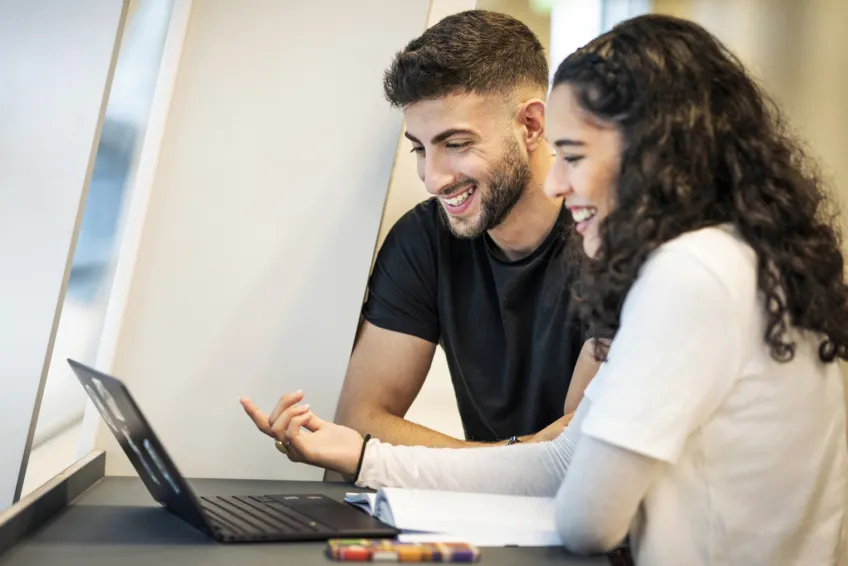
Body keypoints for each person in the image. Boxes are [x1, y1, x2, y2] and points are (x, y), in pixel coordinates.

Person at [242, 13, 848, 566]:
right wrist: (363, 455)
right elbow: (561, 461)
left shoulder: (689, 275)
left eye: (575, 154)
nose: (557, 181)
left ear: (654, 152)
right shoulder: (740, 260)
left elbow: (586, 517)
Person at [326, 10, 596, 448]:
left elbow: (578, 457)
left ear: (530, 125)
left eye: (456, 145)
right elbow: (359, 419)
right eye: (420, 148)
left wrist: (506, 464)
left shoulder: (607, 240)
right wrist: (512, 456)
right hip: (480, 509)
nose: (433, 180)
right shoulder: (423, 240)